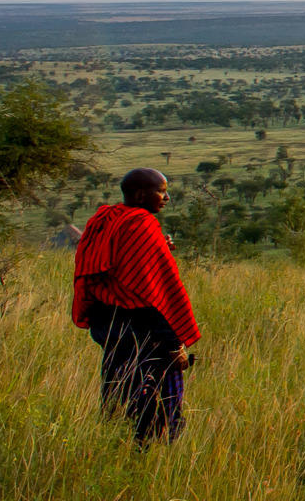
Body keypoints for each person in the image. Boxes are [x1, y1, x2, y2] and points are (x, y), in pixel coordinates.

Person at [71, 168, 200, 443]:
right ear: (141, 194)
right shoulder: (140, 225)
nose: (166, 197)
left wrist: (156, 246)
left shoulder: (108, 218)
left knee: (118, 391)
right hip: (142, 330)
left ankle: (116, 446)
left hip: (108, 325)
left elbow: (110, 263)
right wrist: (174, 343)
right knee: (151, 403)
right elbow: (148, 295)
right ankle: (147, 454)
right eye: (161, 191)